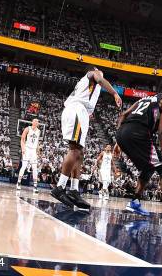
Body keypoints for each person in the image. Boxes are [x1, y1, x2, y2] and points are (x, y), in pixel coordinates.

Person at [51, 66, 122, 210]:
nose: (100, 73)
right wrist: (114, 93)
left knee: (80, 152)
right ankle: (60, 187)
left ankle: (74, 190)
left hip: (80, 112)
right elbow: (100, 79)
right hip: (76, 110)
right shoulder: (92, 74)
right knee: (75, 151)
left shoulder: (86, 86)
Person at [113, 79, 162, 224]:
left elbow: (123, 115)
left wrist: (118, 141)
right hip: (138, 133)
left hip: (122, 132)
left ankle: (135, 202)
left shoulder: (144, 100)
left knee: (148, 168)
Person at [16, 118, 41, 193]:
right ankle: (18, 182)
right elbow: (22, 139)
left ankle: (35, 186)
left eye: (37, 122)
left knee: (35, 168)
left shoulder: (39, 131)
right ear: (32, 122)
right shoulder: (27, 129)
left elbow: (37, 142)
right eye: (35, 121)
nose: (37, 122)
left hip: (33, 150)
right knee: (23, 166)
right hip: (27, 149)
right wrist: (23, 148)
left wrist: (38, 151)